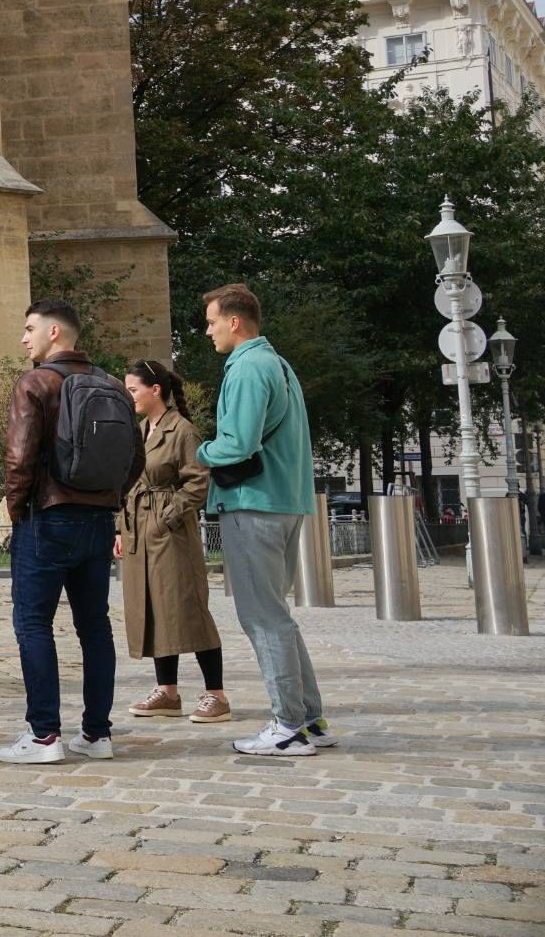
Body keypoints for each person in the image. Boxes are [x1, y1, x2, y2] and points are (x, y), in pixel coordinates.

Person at [0, 300, 143, 765]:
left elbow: (19, 459)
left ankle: (43, 736)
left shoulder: (36, 382)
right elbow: (134, 458)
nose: (24, 338)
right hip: (97, 519)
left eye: (29, 329)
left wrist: (17, 512)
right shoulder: (113, 386)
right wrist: (109, 498)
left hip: (48, 517)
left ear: (55, 333)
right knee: (94, 626)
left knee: (33, 623)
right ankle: (97, 734)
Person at [196, 283, 334, 758]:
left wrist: (198, 453)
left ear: (235, 321)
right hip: (285, 499)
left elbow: (237, 444)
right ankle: (310, 718)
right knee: (279, 616)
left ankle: (288, 725)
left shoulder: (248, 367)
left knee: (263, 617)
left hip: (254, 502)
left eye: (212, 321)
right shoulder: (278, 363)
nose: (208, 330)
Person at [118, 359, 230, 725]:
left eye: (133, 389)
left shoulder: (182, 430)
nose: (128, 395)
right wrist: (121, 528)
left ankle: (217, 694)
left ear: (155, 390)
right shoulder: (138, 430)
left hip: (170, 533)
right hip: (138, 531)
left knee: (186, 609)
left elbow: (198, 482)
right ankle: (167, 691)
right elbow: (128, 482)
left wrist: (167, 517)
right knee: (152, 609)